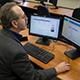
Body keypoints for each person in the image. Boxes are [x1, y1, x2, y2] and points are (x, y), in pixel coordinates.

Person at [0, 2, 71, 80]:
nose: (27, 18)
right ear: (14, 23)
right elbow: (34, 77)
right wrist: (57, 69)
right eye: (23, 17)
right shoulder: (17, 52)